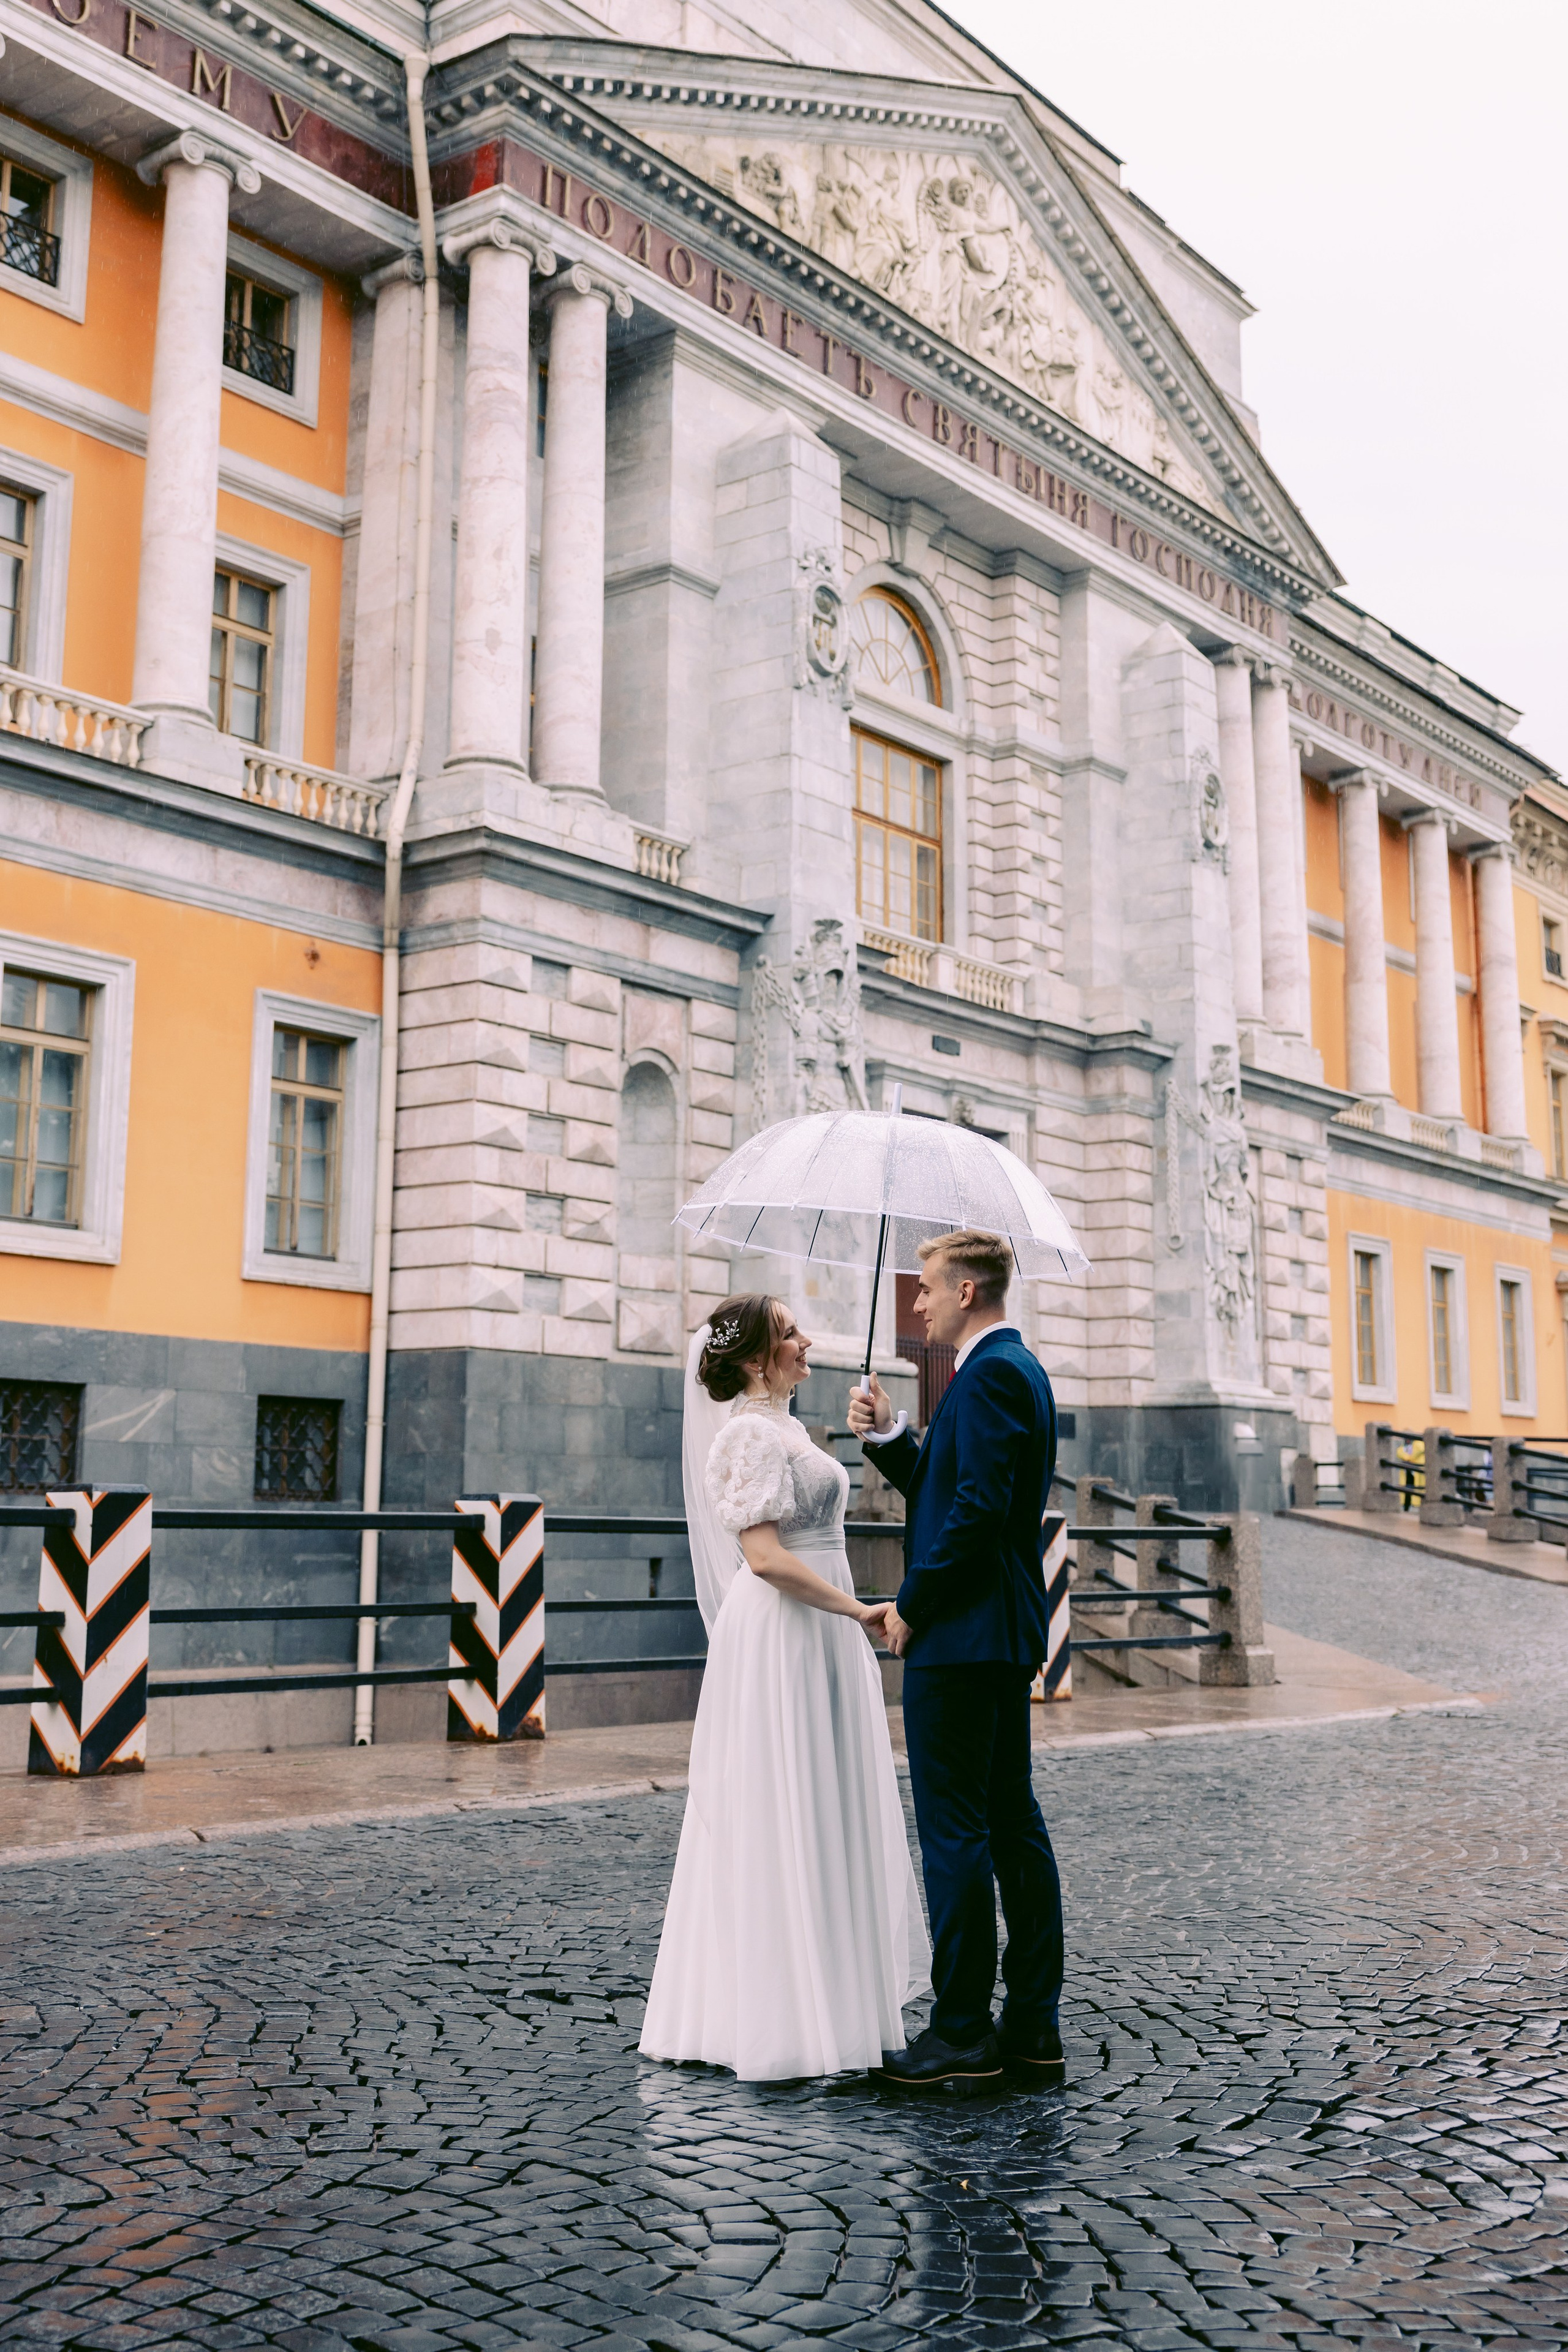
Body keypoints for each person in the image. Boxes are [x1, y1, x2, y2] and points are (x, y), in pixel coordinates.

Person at [639, 1293, 930, 2081]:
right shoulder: (745, 1435)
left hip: (821, 1630)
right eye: (791, 1332)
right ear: (758, 1358)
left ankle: (832, 1996)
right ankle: (774, 2011)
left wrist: (881, 1430)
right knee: (781, 1802)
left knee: (825, 1798)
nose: (807, 1341)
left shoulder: (791, 1430)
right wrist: (855, 1609)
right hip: (783, 1632)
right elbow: (763, 1558)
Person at [848, 1228, 1065, 2093]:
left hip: (965, 1636)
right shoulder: (1007, 1371)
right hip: (995, 1632)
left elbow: (975, 1514)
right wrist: (893, 1437)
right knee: (1010, 1822)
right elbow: (957, 1489)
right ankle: (1032, 2029)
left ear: (967, 1291)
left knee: (960, 1834)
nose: (919, 1303)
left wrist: (911, 1605)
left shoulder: (992, 1374)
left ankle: (965, 2028)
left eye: (929, 1288)